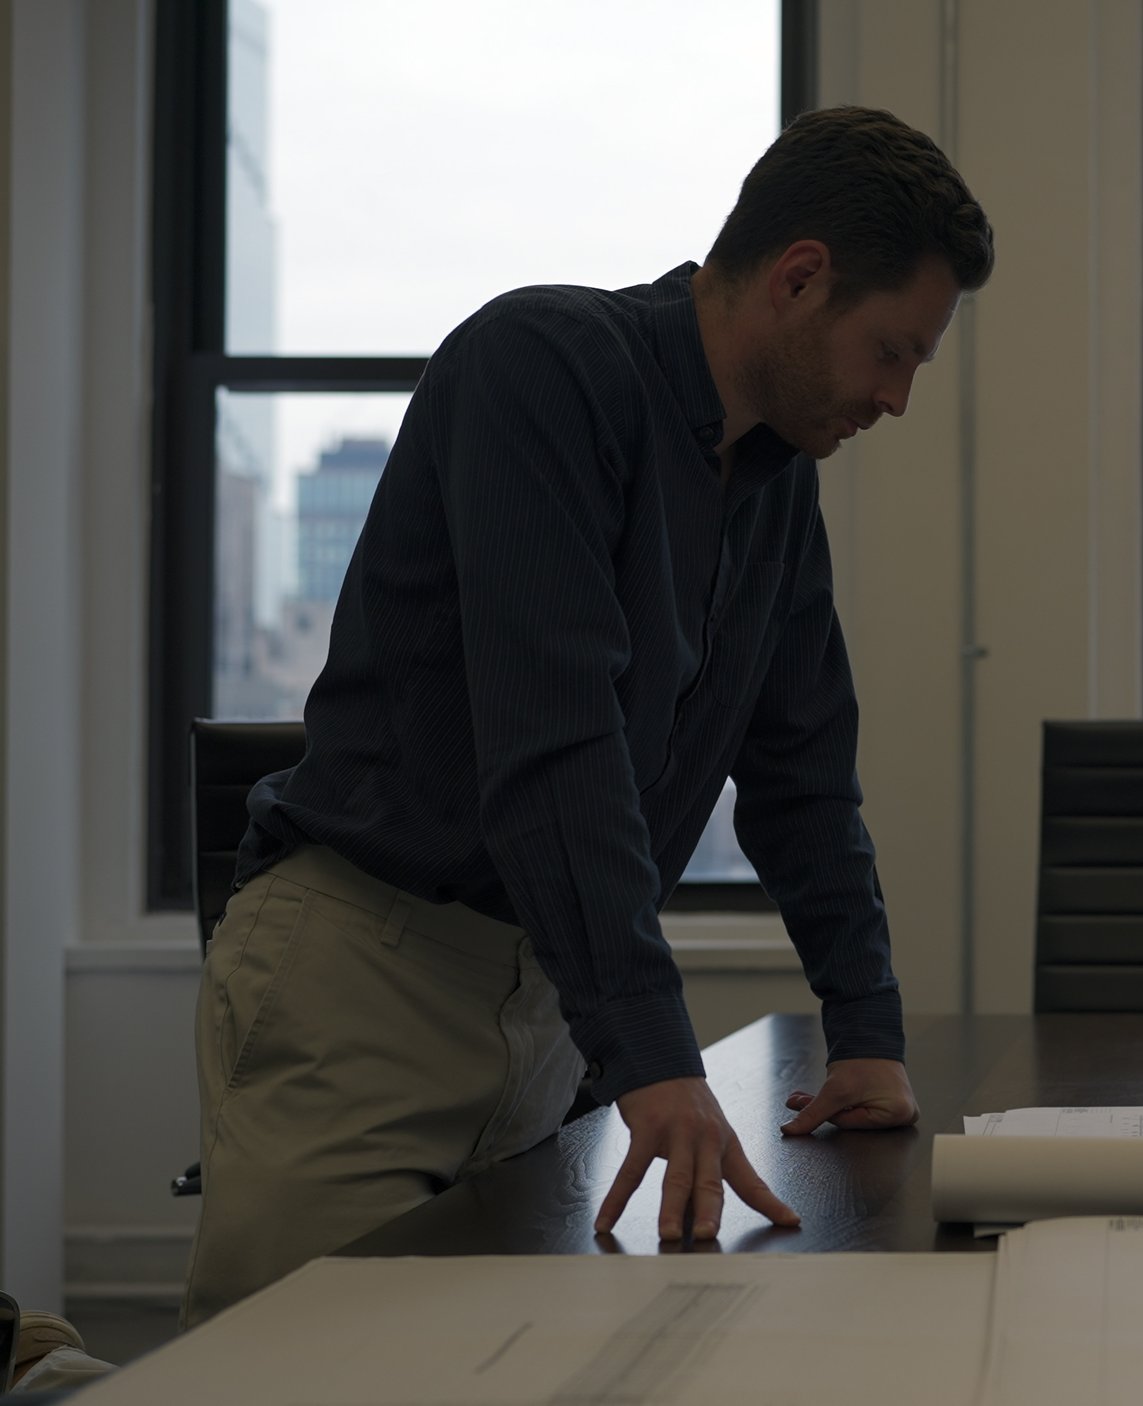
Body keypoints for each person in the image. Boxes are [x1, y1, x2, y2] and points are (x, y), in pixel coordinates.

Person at [183, 106, 993, 1325]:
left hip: (547, 1010)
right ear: (799, 276)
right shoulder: (542, 366)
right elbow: (554, 744)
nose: (896, 397)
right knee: (284, 1369)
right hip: (369, 977)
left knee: (502, 1365)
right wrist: (655, 1054)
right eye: (891, 351)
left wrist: (865, 1028)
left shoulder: (776, 486)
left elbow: (804, 780)